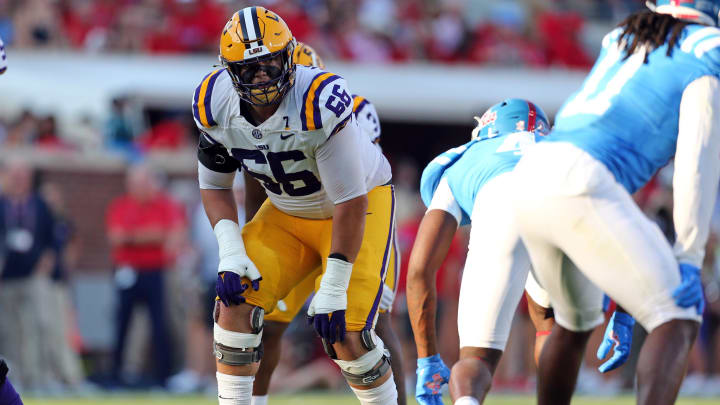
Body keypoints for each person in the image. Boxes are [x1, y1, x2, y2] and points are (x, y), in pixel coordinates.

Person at [509, 1, 720, 404]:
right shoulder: (707, 49)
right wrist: (689, 256)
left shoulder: (625, 37)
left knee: (573, 324)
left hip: (536, 171)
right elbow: (698, 158)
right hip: (583, 178)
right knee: (678, 315)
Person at [194, 7, 397, 405]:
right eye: (249, 68)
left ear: (289, 56)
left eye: (270, 62)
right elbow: (214, 185)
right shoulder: (213, 100)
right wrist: (232, 252)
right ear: (228, 70)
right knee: (233, 307)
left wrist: (335, 285)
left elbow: (351, 200)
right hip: (287, 212)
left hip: (358, 208)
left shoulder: (320, 100)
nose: (263, 75)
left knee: (350, 336)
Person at [249, 42, 405, 405]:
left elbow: (360, 180)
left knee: (368, 324)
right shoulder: (256, 113)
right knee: (263, 323)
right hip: (296, 223)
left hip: (353, 223)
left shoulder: (350, 107)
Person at [407, 100, 555, 405]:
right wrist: (623, 310)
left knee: (477, 359)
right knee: (553, 327)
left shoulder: (468, 157)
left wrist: (426, 358)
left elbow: (420, 269)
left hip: (504, 204)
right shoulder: (563, 145)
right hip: (566, 202)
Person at [105, 163, 186, 387]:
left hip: (156, 271)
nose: (138, 188)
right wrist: (150, 236)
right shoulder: (120, 205)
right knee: (122, 322)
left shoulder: (164, 204)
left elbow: (171, 235)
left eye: (142, 183)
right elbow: (116, 238)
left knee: (160, 323)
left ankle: (163, 376)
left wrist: (133, 237)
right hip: (127, 271)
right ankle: (117, 374)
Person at [0, 159, 57, 391]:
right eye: (15, 174)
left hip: (33, 275)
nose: (19, 179)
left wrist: (45, 263)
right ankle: (17, 378)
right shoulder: (2, 203)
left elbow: (52, 239)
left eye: (23, 174)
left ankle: (39, 376)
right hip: (6, 277)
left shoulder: (40, 205)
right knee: (10, 330)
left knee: (38, 326)